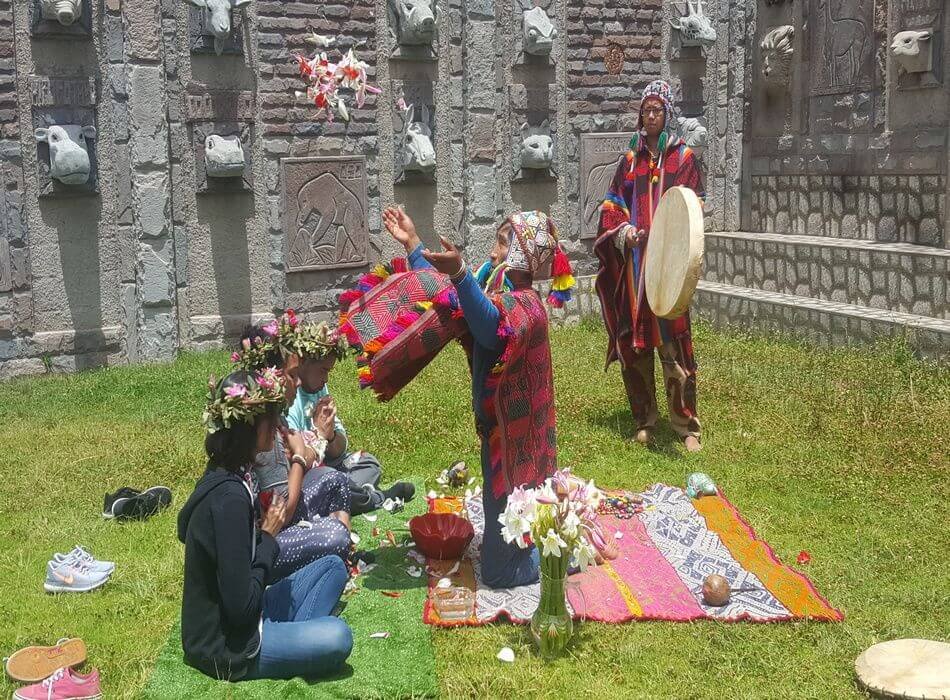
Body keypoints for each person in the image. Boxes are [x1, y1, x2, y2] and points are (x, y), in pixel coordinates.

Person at [383, 207, 574, 588]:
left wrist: (459, 272)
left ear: (520, 253)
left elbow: (487, 327)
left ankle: (562, 555)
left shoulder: (527, 307)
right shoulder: (510, 300)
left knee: (500, 570)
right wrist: (414, 244)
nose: (493, 253)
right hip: (503, 439)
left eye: (501, 244)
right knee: (504, 517)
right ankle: (544, 540)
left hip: (515, 449)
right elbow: (455, 301)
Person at [178, 369, 353, 682]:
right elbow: (240, 610)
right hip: (227, 644)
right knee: (338, 636)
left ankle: (291, 637)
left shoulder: (233, 470)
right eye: (269, 421)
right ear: (247, 427)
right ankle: (290, 641)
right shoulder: (228, 499)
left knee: (333, 567)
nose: (275, 429)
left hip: (250, 608)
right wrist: (269, 537)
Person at [595, 79, 704, 452]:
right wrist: (626, 234)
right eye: (646, 109)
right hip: (636, 271)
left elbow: (693, 208)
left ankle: (685, 424)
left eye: (657, 108)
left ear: (668, 113)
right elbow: (611, 207)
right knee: (636, 346)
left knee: (674, 346)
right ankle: (644, 419)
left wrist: (676, 244)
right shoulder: (630, 160)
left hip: (669, 272)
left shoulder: (683, 159)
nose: (651, 115)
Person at [235, 320, 353, 579]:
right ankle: (330, 561)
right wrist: (300, 458)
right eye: (292, 375)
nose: (297, 383)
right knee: (335, 536)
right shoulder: (263, 433)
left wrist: (319, 441)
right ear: (271, 378)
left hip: (279, 514)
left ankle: (341, 561)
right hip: (263, 546)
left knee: (335, 479)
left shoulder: (274, 416)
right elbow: (283, 513)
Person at [282, 321, 415, 514]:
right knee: (334, 481)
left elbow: (339, 450)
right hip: (307, 475)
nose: (326, 379)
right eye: (323, 371)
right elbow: (299, 463)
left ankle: (350, 494)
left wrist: (331, 436)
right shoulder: (289, 399)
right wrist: (319, 433)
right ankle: (375, 498)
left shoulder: (319, 388)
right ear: (303, 362)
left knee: (368, 463)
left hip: (329, 465)